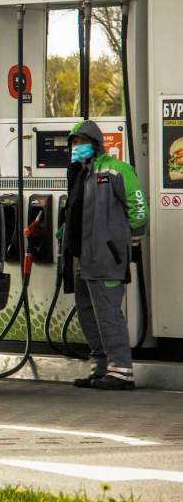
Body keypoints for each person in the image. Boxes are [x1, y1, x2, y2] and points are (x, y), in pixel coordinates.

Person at [61, 120, 149, 391]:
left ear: (96, 144)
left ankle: (122, 371)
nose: (77, 147)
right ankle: (101, 368)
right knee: (88, 313)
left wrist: (129, 241)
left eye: (82, 142)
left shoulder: (117, 170)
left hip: (106, 256)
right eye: (73, 143)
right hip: (81, 258)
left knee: (108, 313)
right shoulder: (79, 173)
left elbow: (138, 208)